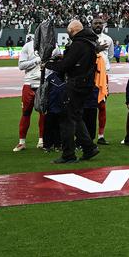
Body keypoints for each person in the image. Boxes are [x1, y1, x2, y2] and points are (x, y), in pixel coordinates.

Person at [46, 20, 101, 164]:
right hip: (86, 83)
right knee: (75, 117)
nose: (68, 33)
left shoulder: (78, 44)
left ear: (73, 30)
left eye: (69, 30)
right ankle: (89, 148)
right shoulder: (89, 42)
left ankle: (68, 154)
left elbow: (65, 65)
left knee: (67, 119)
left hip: (75, 84)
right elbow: (74, 61)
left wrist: (49, 64)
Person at [14, 34, 45, 151]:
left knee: (44, 113)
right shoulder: (28, 46)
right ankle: (22, 142)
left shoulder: (53, 46)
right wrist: (37, 60)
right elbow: (21, 65)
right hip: (29, 83)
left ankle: (42, 140)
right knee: (26, 113)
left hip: (44, 83)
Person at [91, 16, 113, 145]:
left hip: (103, 76)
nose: (98, 25)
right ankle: (88, 135)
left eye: (100, 23)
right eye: (95, 23)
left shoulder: (108, 39)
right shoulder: (86, 38)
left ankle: (101, 135)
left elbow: (109, 56)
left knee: (102, 106)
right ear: (91, 24)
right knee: (88, 106)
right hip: (90, 75)